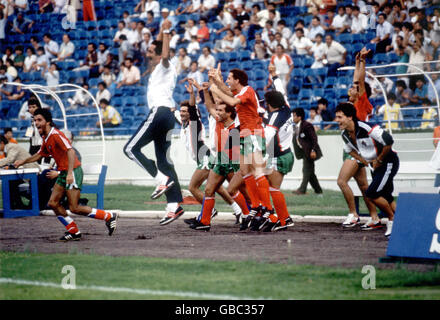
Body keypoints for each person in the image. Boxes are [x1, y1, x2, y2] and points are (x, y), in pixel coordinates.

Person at [14, 108, 118, 241]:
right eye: (35, 121)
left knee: (74, 207)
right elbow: (39, 155)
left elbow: (71, 152)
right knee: (53, 203)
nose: (36, 123)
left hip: (72, 171)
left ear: (48, 122)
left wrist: (69, 173)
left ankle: (108, 216)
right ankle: (73, 231)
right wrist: (23, 161)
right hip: (64, 172)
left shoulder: (56, 135)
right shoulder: (46, 137)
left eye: (39, 120)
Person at [123, 20, 185, 226]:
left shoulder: (165, 65)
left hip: (160, 112)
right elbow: (159, 48)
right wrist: (161, 31)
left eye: (150, 51)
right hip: (167, 115)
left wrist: (166, 31)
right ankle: (174, 206)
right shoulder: (159, 68)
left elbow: (164, 54)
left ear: (157, 55)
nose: (147, 52)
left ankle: (161, 180)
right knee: (164, 161)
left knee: (130, 148)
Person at [209, 66, 274, 231]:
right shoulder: (239, 92)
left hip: (254, 134)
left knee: (258, 172)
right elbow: (228, 93)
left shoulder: (248, 90)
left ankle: (267, 209)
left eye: (229, 78)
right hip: (245, 135)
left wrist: (216, 86)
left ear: (237, 80)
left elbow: (231, 101)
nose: (227, 81)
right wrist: (217, 81)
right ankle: (257, 206)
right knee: (245, 172)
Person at [179, 79, 244, 226]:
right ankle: (238, 210)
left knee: (193, 188)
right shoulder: (184, 124)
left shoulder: (195, 121)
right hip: (212, 156)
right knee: (217, 188)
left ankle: (211, 211)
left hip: (207, 156)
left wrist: (196, 91)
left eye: (185, 111)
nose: (182, 113)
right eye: (181, 111)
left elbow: (196, 106)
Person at [335, 103, 399, 237]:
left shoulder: (366, 127)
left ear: (350, 117)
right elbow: (349, 151)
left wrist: (379, 159)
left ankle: (392, 220)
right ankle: (402, 222)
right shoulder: (345, 134)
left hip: (388, 162)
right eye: (336, 117)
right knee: (386, 195)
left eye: (340, 117)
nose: (337, 121)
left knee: (371, 193)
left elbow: (389, 140)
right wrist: (365, 161)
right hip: (376, 166)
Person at [338, 47, 379, 229]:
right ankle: (374, 217)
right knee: (363, 185)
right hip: (353, 146)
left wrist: (363, 61)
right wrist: (357, 61)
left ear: (361, 92)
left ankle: (353, 214)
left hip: (359, 148)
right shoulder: (350, 105)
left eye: (355, 88)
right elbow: (357, 79)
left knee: (341, 181)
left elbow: (359, 80)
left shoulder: (362, 103)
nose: (351, 87)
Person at [0, 135, 39, 209]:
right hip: (25, 171)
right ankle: (16, 205)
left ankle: (17, 205)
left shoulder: (11, 147)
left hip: (31, 170)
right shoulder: (8, 149)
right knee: (10, 183)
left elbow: (9, 159)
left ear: (2, 143)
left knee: (11, 183)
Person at [292, 107, 323, 195]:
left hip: (310, 152)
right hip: (304, 152)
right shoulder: (296, 126)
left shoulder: (307, 125)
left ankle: (302, 190)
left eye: (294, 116)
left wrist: (313, 150)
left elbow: (314, 138)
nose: (292, 118)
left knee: (306, 170)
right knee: (310, 173)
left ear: (299, 117)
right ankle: (318, 191)